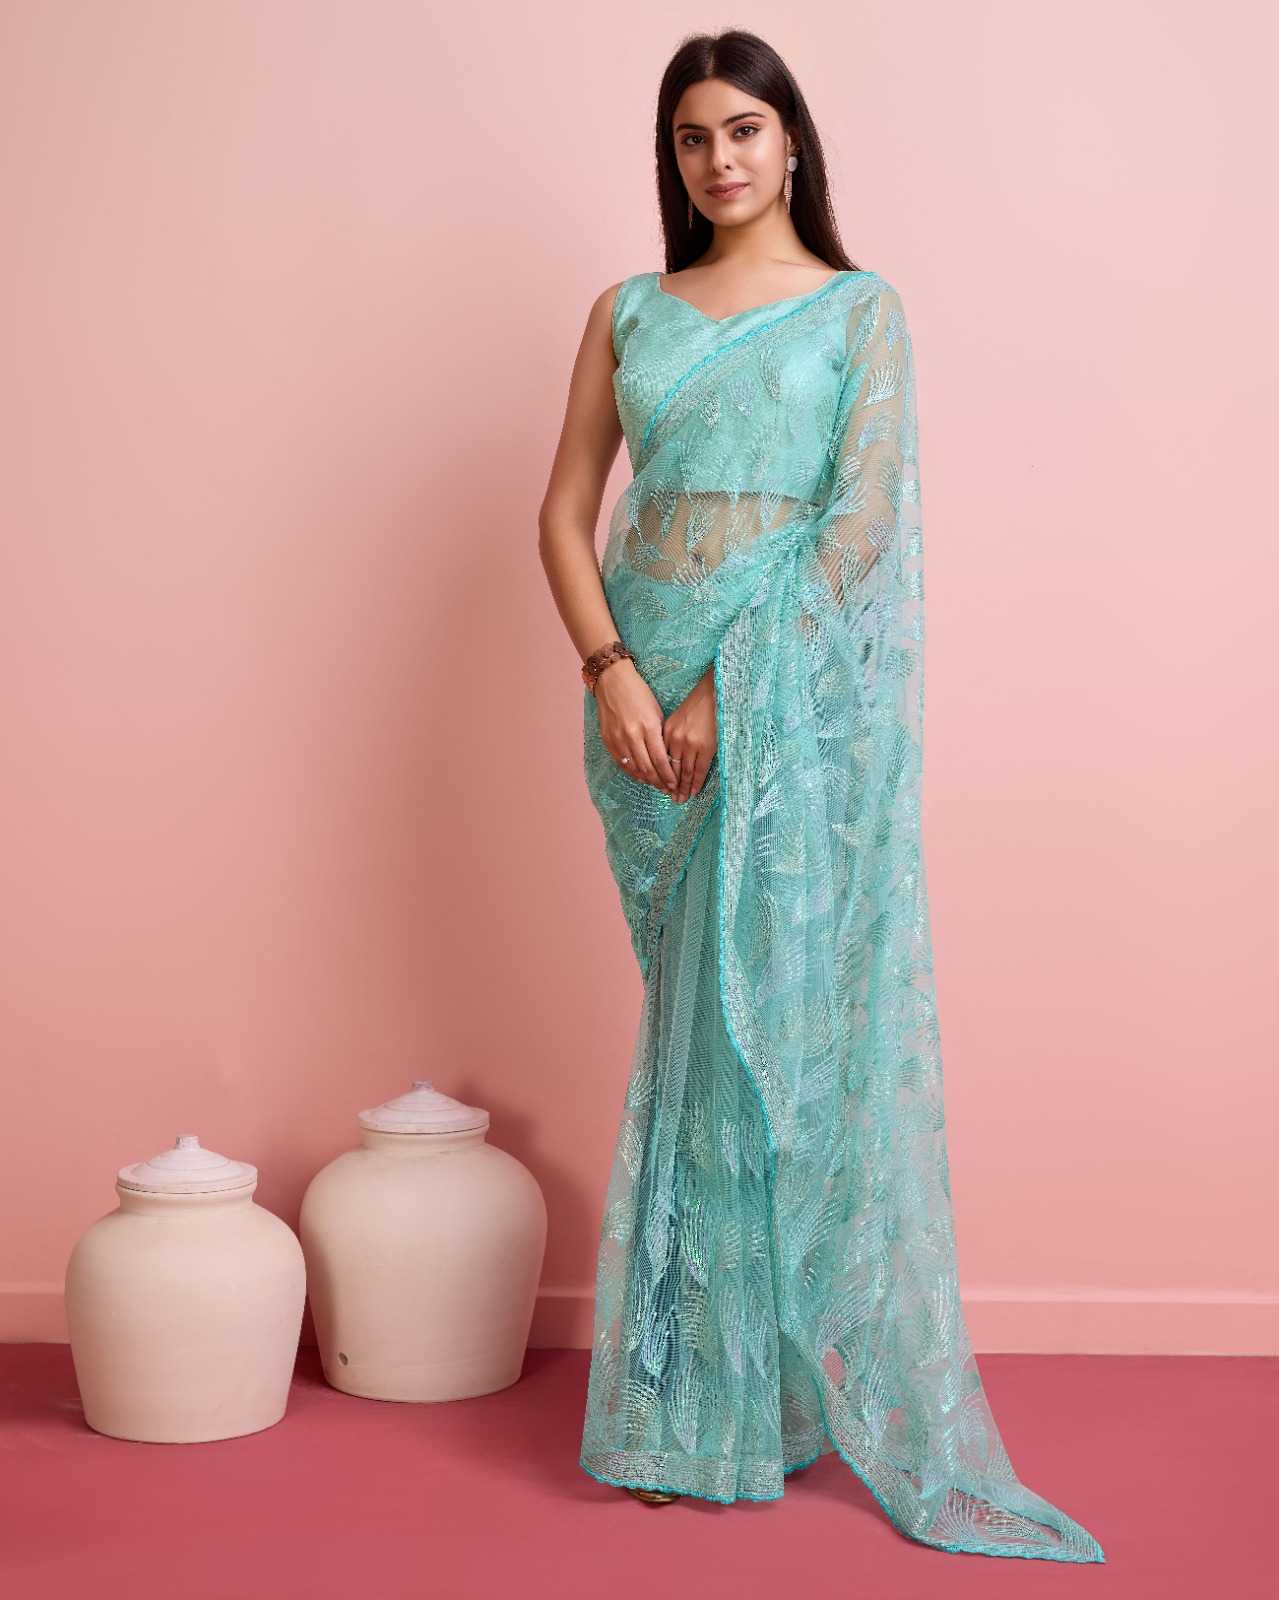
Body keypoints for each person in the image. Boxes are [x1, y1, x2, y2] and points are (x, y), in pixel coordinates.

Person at [537, 28, 1105, 1564]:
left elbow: (859, 526)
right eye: (691, 138)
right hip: (640, 700)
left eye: (743, 129)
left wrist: (732, 692)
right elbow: (564, 513)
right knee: (686, 1027)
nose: (718, 159)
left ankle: (719, 1406)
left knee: (740, 1034)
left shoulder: (860, 313)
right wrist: (617, 674)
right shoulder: (629, 310)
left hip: (773, 713)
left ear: (792, 141)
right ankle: (704, 1393)